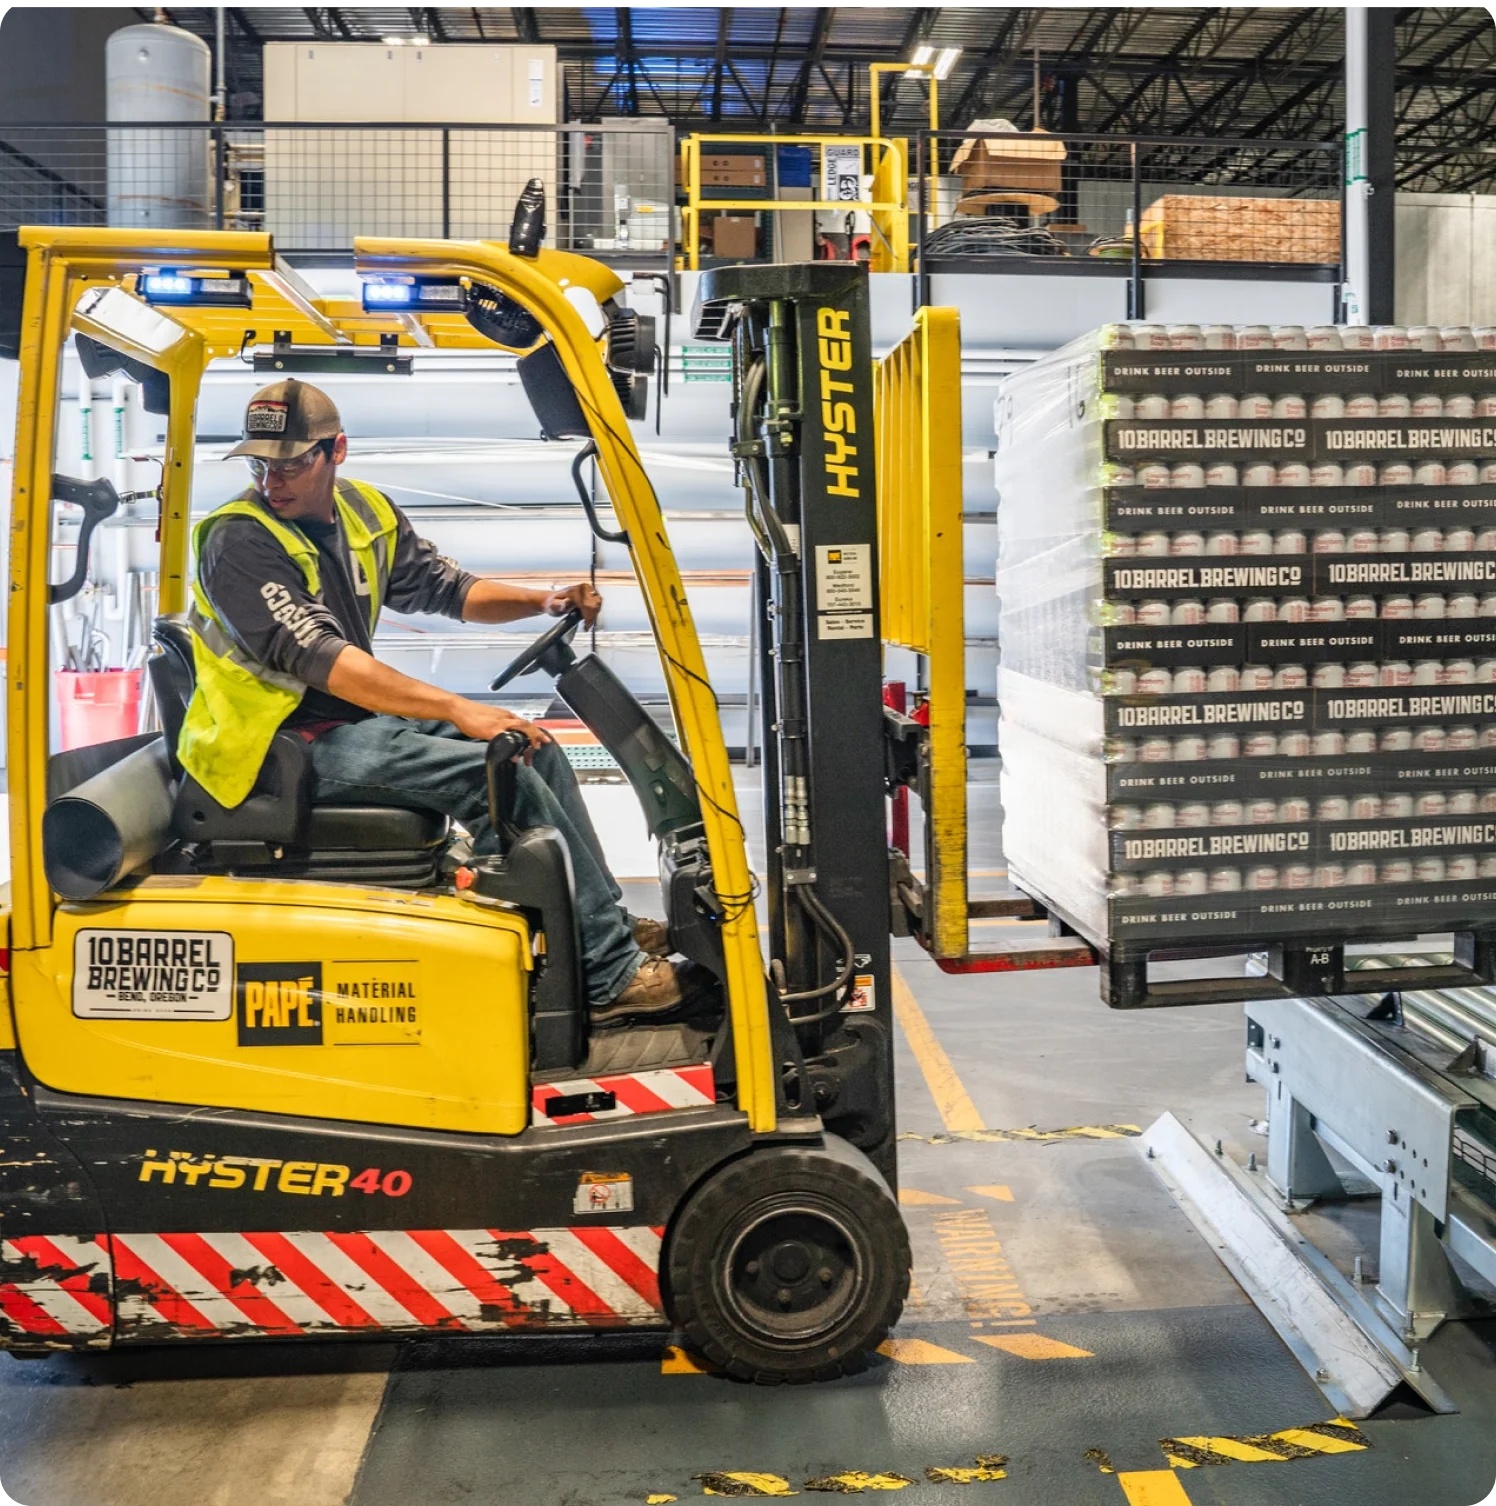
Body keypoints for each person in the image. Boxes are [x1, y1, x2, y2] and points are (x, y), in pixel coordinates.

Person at [178, 377, 696, 1023]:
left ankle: (604, 926)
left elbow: (447, 589)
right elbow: (326, 663)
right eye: (260, 463)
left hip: (341, 725)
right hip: (275, 747)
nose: (271, 480)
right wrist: (456, 708)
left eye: (290, 462)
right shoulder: (240, 540)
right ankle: (607, 973)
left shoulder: (364, 511)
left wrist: (541, 600)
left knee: (536, 751)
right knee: (492, 773)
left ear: (336, 451)